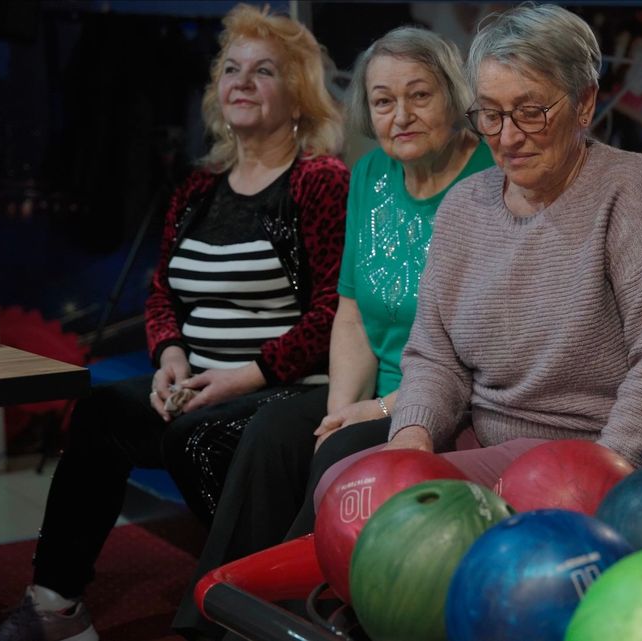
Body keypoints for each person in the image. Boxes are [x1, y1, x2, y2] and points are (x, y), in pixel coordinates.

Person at [0, 5, 348, 641]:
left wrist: (246, 375)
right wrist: (171, 356)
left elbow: (333, 313)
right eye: (231, 69)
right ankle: (55, 606)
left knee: (193, 439)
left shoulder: (321, 182)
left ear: (298, 96)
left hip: (284, 391)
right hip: (196, 384)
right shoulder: (198, 188)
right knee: (101, 410)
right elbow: (162, 296)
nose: (241, 82)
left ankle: (254, 601)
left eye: (263, 71)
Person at [312, 2, 642, 509]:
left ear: (585, 103)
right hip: (492, 437)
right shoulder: (465, 205)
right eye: (491, 114)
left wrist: (603, 472)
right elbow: (435, 356)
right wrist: (412, 435)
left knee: (373, 505)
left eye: (530, 112)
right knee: (343, 485)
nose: (507, 137)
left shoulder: (632, 187)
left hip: (593, 451)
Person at [171, 26, 493, 639]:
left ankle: (285, 626)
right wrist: (340, 408)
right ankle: (214, 615)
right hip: (374, 389)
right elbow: (349, 311)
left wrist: (376, 410)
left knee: (339, 455)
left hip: (451, 399)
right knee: (273, 433)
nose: (401, 115)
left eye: (419, 95)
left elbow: (486, 345)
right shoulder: (369, 175)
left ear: (453, 97)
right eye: (383, 101)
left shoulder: (488, 178)